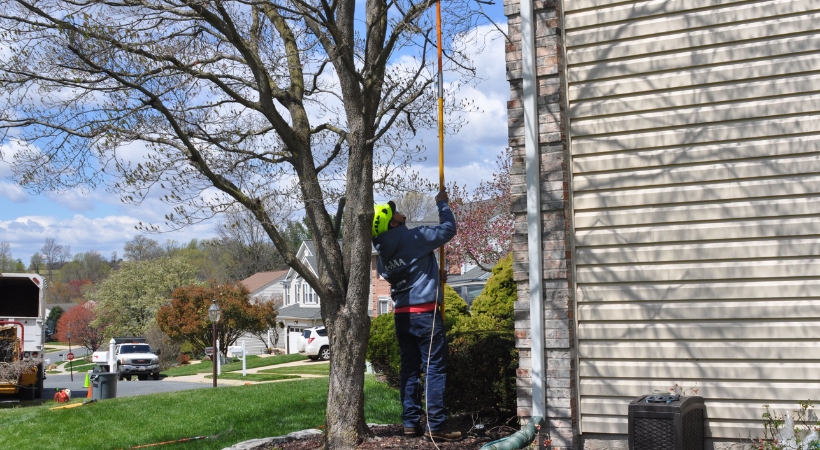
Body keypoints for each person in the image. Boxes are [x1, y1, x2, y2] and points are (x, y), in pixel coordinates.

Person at [371, 188, 461, 442]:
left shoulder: (382, 254)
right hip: (425, 315)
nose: (401, 213)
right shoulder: (414, 237)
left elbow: (404, 274)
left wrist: (433, 276)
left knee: (409, 370)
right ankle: (437, 426)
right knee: (434, 369)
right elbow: (448, 230)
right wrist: (442, 204)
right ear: (391, 222)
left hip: (402, 315)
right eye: (396, 212)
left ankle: (411, 423)